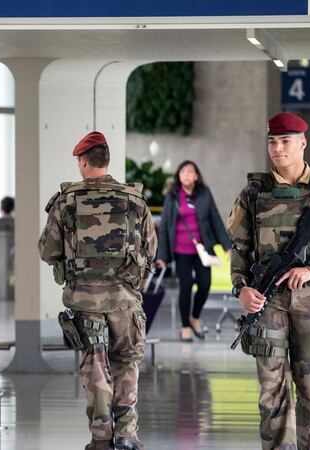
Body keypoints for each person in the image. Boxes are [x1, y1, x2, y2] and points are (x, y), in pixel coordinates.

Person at [227, 112, 310, 449]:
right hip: (266, 302)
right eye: (272, 141)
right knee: (271, 390)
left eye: (285, 141)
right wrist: (240, 288)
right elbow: (240, 248)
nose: (277, 148)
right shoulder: (254, 193)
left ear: (302, 143)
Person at [39, 131, 157, 450]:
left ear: (82, 160)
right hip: (126, 302)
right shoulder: (134, 199)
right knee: (126, 364)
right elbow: (151, 248)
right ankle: (127, 434)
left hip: (85, 301)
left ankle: (102, 438)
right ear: (107, 160)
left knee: (96, 365)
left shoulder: (66, 201)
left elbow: (48, 251)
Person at [155, 161, 231, 341]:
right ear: (178, 176)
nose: (186, 174)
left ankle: (194, 317)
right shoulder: (172, 196)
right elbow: (165, 226)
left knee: (205, 285)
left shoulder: (204, 194)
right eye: (183, 171)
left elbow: (215, 219)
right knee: (186, 287)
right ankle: (185, 326)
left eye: (190, 172)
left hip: (203, 249)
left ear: (196, 176)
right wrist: (162, 256)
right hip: (180, 250)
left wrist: (227, 245)